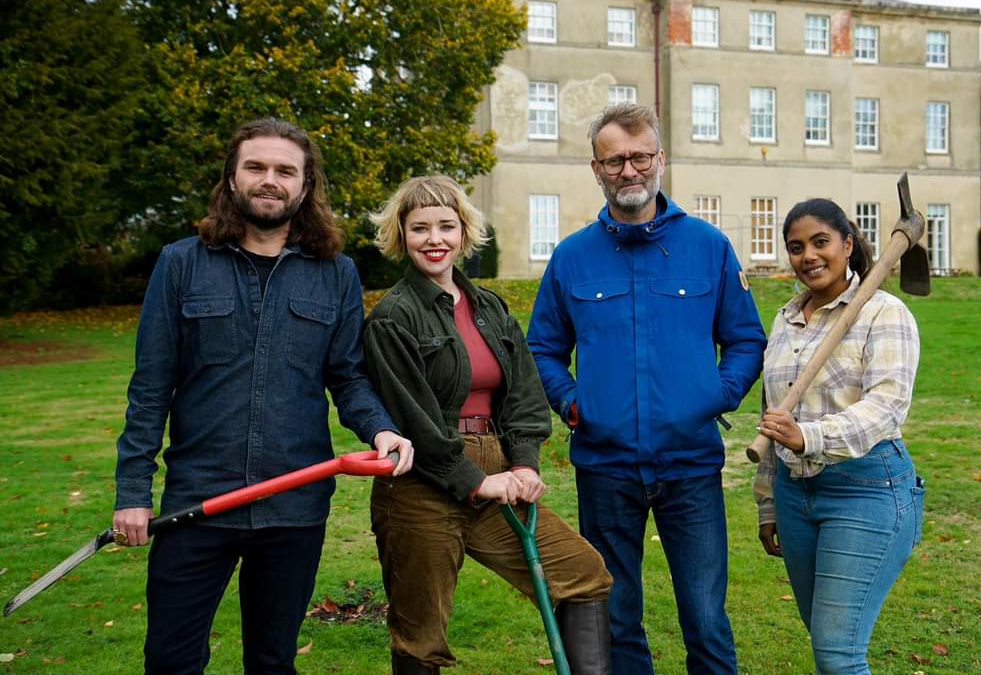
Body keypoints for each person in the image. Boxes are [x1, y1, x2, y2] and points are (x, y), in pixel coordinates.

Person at [112, 118, 413, 674]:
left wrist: (381, 429)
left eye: (285, 170)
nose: (269, 179)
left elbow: (347, 378)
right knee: (170, 661)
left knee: (273, 662)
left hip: (293, 507)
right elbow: (150, 389)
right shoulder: (181, 263)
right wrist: (133, 492)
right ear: (232, 179)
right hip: (197, 502)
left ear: (305, 184)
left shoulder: (336, 274)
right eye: (255, 167)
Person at [527, 103, 767, 675]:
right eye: (615, 160)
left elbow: (745, 340)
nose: (628, 170)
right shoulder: (571, 257)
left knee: (705, 616)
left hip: (691, 467)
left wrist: (716, 395)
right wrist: (572, 402)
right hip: (605, 467)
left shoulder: (708, 247)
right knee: (615, 617)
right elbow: (541, 349)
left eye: (640, 157)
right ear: (596, 168)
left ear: (661, 159)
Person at [363, 175, 614, 675]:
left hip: (495, 475)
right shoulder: (393, 317)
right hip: (422, 489)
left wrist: (523, 463)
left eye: (446, 226)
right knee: (420, 635)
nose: (434, 239)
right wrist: (474, 481)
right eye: (419, 228)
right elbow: (415, 418)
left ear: (463, 232)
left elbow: (523, 392)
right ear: (400, 235)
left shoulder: (489, 308)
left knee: (583, 574)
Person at [753, 198, 925, 674]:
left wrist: (808, 436)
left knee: (838, 654)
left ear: (847, 244)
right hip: (795, 495)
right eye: (796, 247)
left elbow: (886, 407)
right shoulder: (785, 320)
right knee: (827, 641)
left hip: (865, 488)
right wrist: (768, 502)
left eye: (821, 242)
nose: (808, 255)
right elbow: (772, 415)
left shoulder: (884, 314)